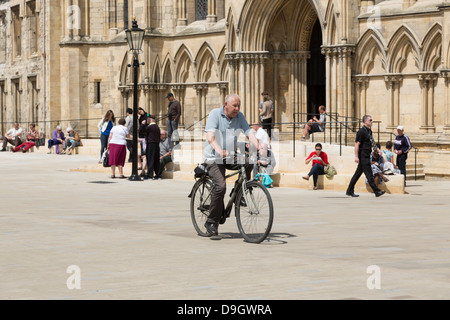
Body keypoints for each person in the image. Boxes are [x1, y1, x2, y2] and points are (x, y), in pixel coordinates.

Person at [203, 94, 259, 236]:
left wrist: (260, 147)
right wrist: (219, 150)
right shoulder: (215, 114)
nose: (237, 108)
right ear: (226, 104)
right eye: (234, 105)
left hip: (230, 156)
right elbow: (210, 136)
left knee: (248, 162)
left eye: (239, 105)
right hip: (213, 158)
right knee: (221, 186)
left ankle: (239, 193)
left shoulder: (239, 116)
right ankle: (211, 222)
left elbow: (249, 134)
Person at [346, 115, 385, 197]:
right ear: (365, 121)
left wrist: (378, 150)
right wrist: (356, 156)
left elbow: (372, 142)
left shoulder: (369, 131)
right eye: (370, 120)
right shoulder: (361, 131)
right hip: (363, 155)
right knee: (369, 174)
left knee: (357, 174)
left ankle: (349, 190)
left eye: (372, 120)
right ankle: (376, 191)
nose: (372, 122)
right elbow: (357, 144)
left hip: (367, 155)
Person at [140, 114, 161, 180]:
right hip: (156, 144)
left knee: (150, 159)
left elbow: (140, 131)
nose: (146, 120)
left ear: (150, 119)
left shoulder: (150, 127)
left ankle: (149, 175)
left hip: (151, 144)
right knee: (156, 160)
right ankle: (158, 175)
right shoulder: (157, 127)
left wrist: (142, 124)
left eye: (147, 119)